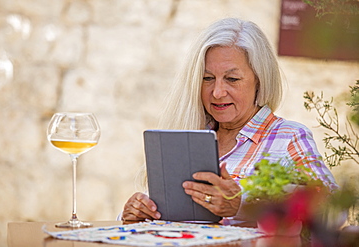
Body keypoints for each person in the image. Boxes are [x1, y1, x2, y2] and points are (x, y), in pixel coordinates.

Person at [121, 17, 338, 222]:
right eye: (207, 78)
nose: (217, 92)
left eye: (232, 79)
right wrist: (137, 215)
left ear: (259, 82)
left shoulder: (288, 137)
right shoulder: (188, 135)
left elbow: (332, 211)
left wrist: (241, 204)